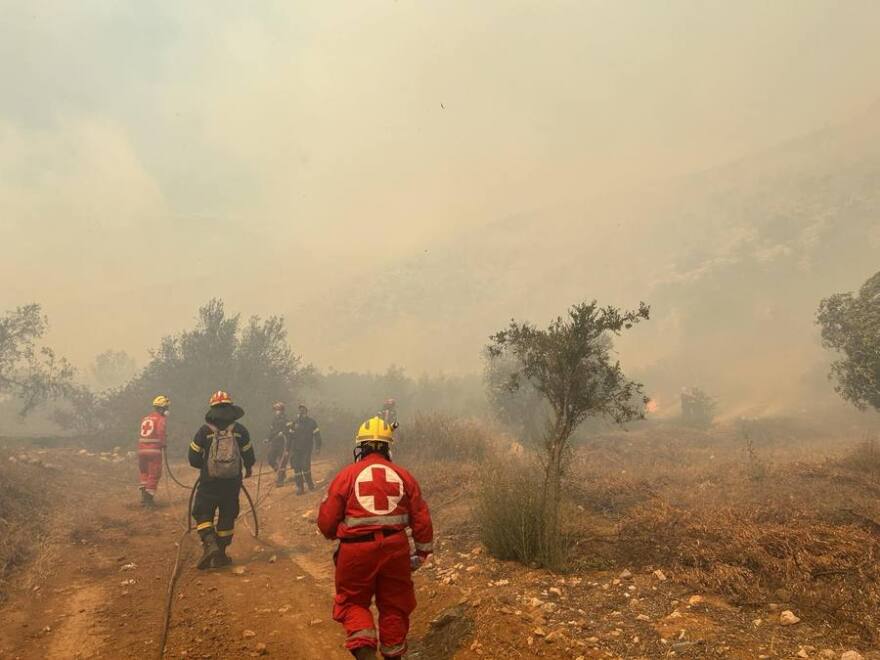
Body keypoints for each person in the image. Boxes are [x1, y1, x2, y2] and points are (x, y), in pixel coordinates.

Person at [317, 416, 433, 659]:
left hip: (355, 552)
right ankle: (393, 654)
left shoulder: (346, 476)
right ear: (388, 447)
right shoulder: (404, 475)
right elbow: (421, 518)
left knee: (353, 603)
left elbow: (327, 523)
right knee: (394, 605)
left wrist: (335, 532)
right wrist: (421, 553)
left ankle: (364, 648)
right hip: (395, 549)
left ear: (361, 447)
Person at [188, 391, 255, 569]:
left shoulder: (204, 431)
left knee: (203, 512)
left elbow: (193, 458)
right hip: (232, 482)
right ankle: (221, 555)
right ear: (231, 408)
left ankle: (210, 544)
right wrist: (248, 468)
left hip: (209, 482)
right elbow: (249, 454)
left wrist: (204, 468)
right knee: (227, 514)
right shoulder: (240, 430)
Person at [137, 395, 170, 507]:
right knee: (154, 474)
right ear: (162, 408)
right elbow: (161, 433)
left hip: (141, 450)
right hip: (154, 451)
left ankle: (143, 496)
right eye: (166, 408)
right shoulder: (161, 419)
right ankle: (148, 500)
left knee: (144, 472)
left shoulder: (145, 418)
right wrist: (164, 444)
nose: (167, 410)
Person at [289, 404, 322, 495]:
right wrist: (287, 449)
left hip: (307, 448)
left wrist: (318, 447)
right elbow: (290, 437)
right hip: (296, 449)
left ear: (306, 411)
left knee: (305, 466)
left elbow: (317, 435)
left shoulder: (312, 422)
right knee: (297, 468)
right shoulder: (294, 423)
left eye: (303, 410)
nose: (301, 412)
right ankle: (300, 487)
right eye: (299, 410)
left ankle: (310, 485)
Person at [265, 401, 290, 486]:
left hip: (283, 443)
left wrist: (283, 432)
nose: (276, 411)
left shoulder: (287, 420)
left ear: (282, 410)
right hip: (274, 443)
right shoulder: (274, 420)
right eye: (276, 410)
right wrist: (268, 439)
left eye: (278, 409)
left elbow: (290, 431)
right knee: (270, 458)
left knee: (282, 462)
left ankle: (280, 480)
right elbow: (271, 431)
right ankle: (280, 473)